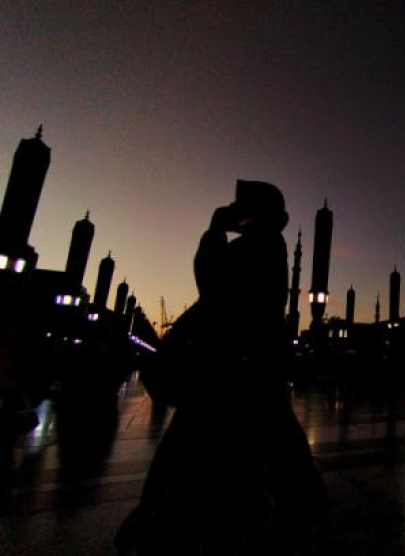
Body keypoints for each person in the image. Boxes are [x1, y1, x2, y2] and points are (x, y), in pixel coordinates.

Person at [116, 180, 328, 555]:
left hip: (229, 378)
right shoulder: (269, 245)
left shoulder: (259, 244)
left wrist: (215, 230)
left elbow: (212, 281)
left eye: (241, 206)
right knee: (276, 452)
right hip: (247, 375)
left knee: (210, 460)